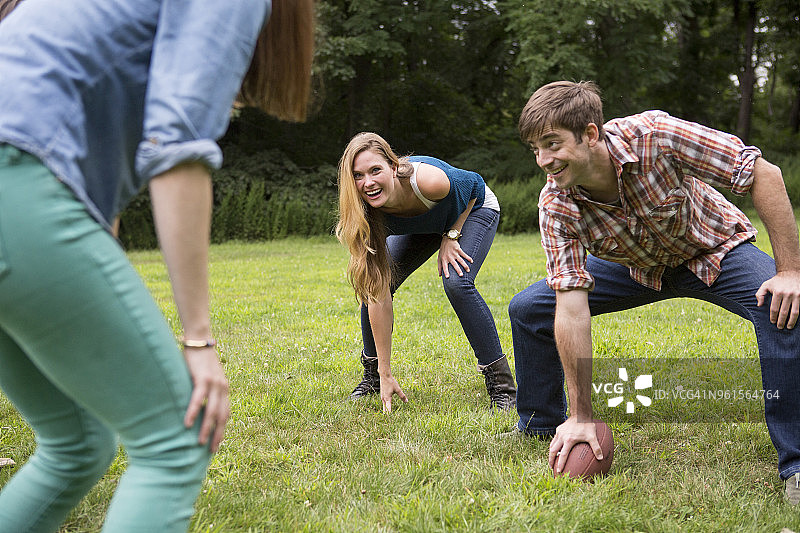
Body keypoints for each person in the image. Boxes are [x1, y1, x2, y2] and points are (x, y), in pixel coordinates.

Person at [0, 0, 314, 531]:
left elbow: (103, 192)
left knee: (77, 442)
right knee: (177, 436)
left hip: (25, 189)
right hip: (17, 187)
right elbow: (178, 146)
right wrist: (199, 339)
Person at [509, 80, 800, 503]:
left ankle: (796, 463)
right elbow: (571, 306)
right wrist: (582, 415)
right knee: (530, 307)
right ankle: (545, 426)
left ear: (591, 134)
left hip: (711, 251)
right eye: (535, 148)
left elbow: (763, 174)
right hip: (636, 267)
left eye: (552, 144)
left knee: (783, 304)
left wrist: (789, 272)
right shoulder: (557, 203)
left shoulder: (655, 136)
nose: (544, 160)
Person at [336, 132, 516, 412]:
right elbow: (378, 294)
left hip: (474, 208)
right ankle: (373, 378)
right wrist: (386, 372)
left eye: (375, 170)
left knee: (457, 282)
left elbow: (474, 187)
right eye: (358, 176)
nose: (368, 183)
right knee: (372, 284)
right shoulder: (365, 214)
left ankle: (503, 388)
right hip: (427, 224)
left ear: (393, 167)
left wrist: (452, 234)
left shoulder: (430, 182)